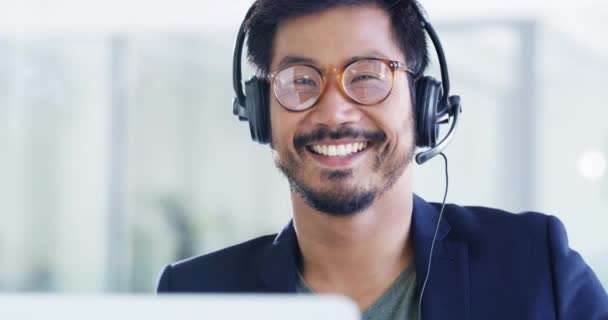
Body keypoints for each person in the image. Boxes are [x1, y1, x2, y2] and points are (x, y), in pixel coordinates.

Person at [157, 0, 608, 319]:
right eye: (300, 81)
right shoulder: (196, 295)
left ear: (424, 102)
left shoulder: (535, 267)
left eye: (368, 76)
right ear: (259, 112)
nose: (333, 110)